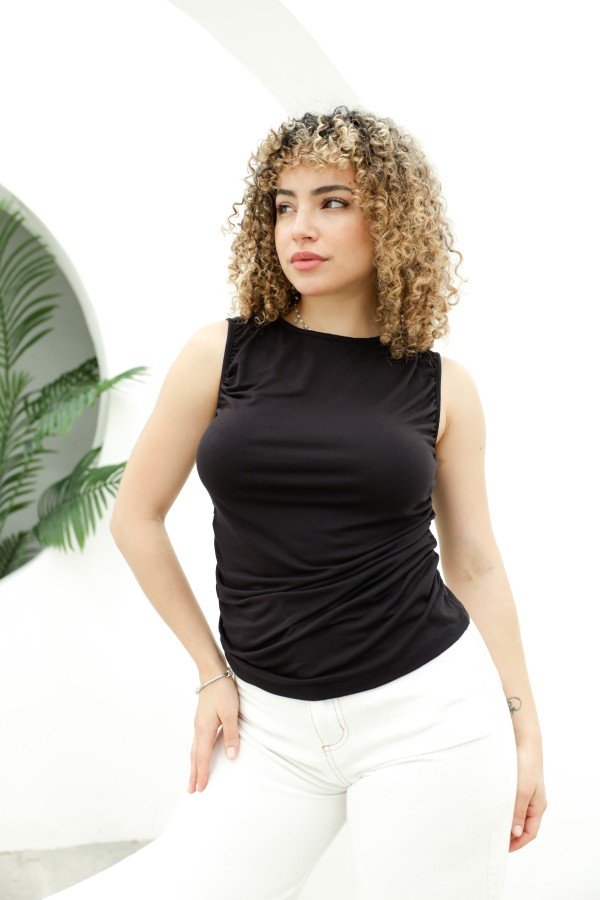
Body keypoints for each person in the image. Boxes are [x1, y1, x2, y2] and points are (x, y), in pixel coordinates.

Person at [44, 106, 547, 899]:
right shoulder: (221, 354)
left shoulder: (443, 387)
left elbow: (475, 563)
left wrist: (523, 726)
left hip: (430, 717)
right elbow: (135, 519)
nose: (300, 227)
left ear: (392, 219)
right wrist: (210, 673)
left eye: (332, 202)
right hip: (267, 728)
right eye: (284, 205)